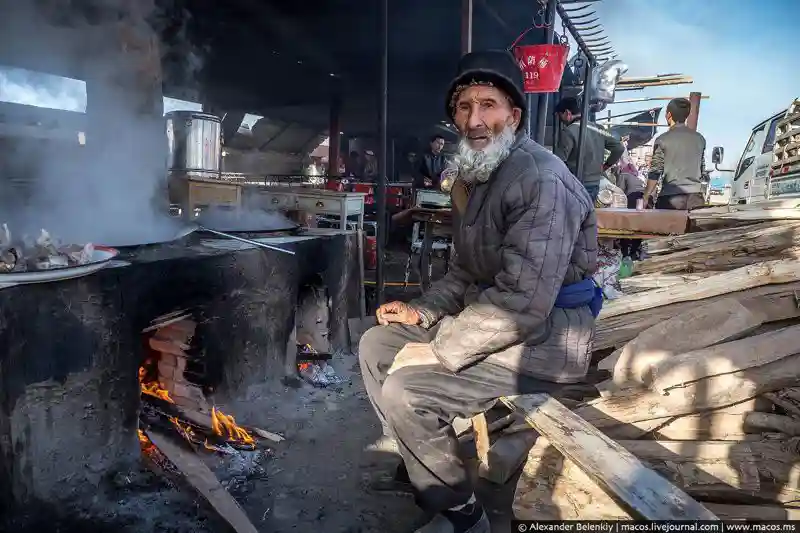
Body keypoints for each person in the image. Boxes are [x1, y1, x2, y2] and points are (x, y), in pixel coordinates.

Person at [358, 50, 599, 533]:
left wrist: (439, 350)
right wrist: (420, 312)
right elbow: (466, 272)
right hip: (497, 327)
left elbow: (522, 304)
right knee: (376, 344)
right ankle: (421, 463)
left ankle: (464, 515)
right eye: (464, 107)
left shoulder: (540, 179)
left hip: (547, 341)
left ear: (513, 115)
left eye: (488, 104)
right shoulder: (478, 176)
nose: (475, 119)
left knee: (408, 388)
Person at [554, 96, 624, 202]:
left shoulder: (568, 132)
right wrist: (606, 165)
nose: (561, 120)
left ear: (567, 113)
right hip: (595, 183)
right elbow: (619, 148)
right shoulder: (599, 129)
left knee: (574, 216)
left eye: (560, 116)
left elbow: (558, 162)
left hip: (575, 184)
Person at [643, 97, 707, 210]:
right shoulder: (700, 139)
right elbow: (702, 169)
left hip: (671, 198)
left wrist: (646, 196)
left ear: (669, 115)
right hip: (696, 198)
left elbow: (655, 172)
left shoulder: (662, 140)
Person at [615, 149, 645, 259]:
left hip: (632, 197)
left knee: (627, 225)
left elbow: (618, 191)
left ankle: (625, 252)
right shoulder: (636, 176)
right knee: (638, 225)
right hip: (643, 198)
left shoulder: (624, 174)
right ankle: (634, 251)